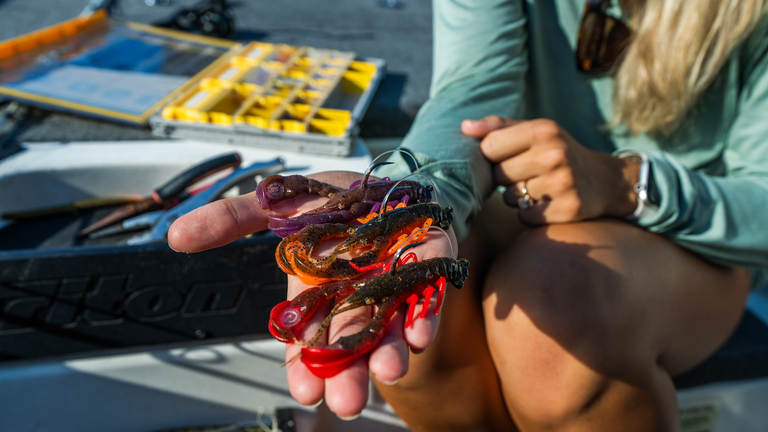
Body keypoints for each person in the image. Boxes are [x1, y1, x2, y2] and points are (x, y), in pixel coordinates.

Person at [169, 0, 768, 430]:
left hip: (702, 243)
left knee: (558, 304)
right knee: (409, 322)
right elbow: (472, 89)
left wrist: (628, 183)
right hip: (518, 207)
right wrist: (411, 193)